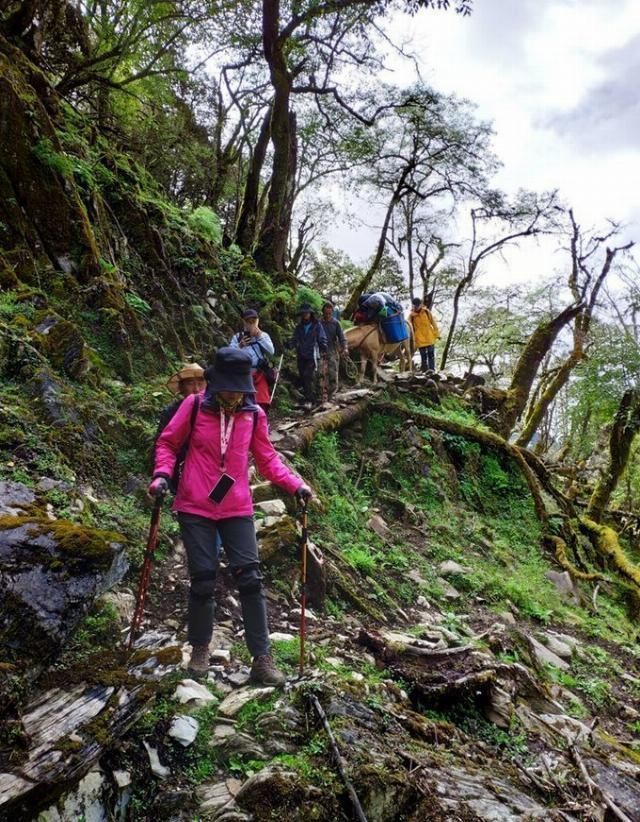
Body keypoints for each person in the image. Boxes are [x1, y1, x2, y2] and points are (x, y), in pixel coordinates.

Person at [149, 347, 312, 685]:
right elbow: (167, 443)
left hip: (235, 504)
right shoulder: (193, 406)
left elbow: (267, 460)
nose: (234, 393)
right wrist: (162, 474)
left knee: (251, 578)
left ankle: (262, 658)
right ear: (216, 382)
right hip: (194, 504)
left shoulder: (254, 415)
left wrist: (296, 485)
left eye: (239, 387)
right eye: (228, 386)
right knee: (204, 579)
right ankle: (199, 649)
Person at [152, 362, 206, 491]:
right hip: (178, 466)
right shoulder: (171, 411)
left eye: (200, 383)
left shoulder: (213, 411)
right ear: (182, 387)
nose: (196, 389)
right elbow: (162, 443)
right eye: (190, 383)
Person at [229, 308, 275, 414]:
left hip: (259, 373)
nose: (251, 324)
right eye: (248, 321)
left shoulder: (263, 336)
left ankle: (262, 423)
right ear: (244, 322)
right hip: (243, 374)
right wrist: (239, 346)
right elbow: (229, 355)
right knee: (244, 403)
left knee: (261, 401)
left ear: (257, 321)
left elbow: (271, 352)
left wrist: (258, 336)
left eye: (253, 321)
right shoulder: (237, 337)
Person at [290, 304, 328, 409]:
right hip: (301, 354)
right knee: (302, 376)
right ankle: (307, 398)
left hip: (312, 355)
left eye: (307, 313)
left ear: (311, 314)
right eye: (303, 313)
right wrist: (291, 344)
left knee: (308, 375)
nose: (305, 315)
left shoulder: (317, 325)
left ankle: (309, 400)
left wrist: (323, 347)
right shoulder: (299, 327)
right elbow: (294, 338)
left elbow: (322, 337)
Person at [320, 301, 348, 400]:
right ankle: (323, 395)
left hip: (332, 351)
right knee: (322, 373)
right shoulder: (319, 323)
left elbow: (342, 337)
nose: (327, 315)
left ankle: (332, 395)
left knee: (333, 373)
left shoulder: (336, 323)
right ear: (322, 312)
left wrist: (345, 348)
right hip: (321, 351)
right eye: (326, 313)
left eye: (329, 313)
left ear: (332, 312)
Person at [409, 297, 440, 371]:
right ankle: (425, 370)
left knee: (431, 354)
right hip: (419, 339)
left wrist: (437, 334)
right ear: (413, 306)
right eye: (414, 306)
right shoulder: (411, 316)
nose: (416, 307)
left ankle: (432, 370)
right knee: (423, 356)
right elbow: (409, 327)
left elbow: (433, 323)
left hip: (429, 337)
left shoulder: (426, 312)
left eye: (417, 305)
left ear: (421, 304)